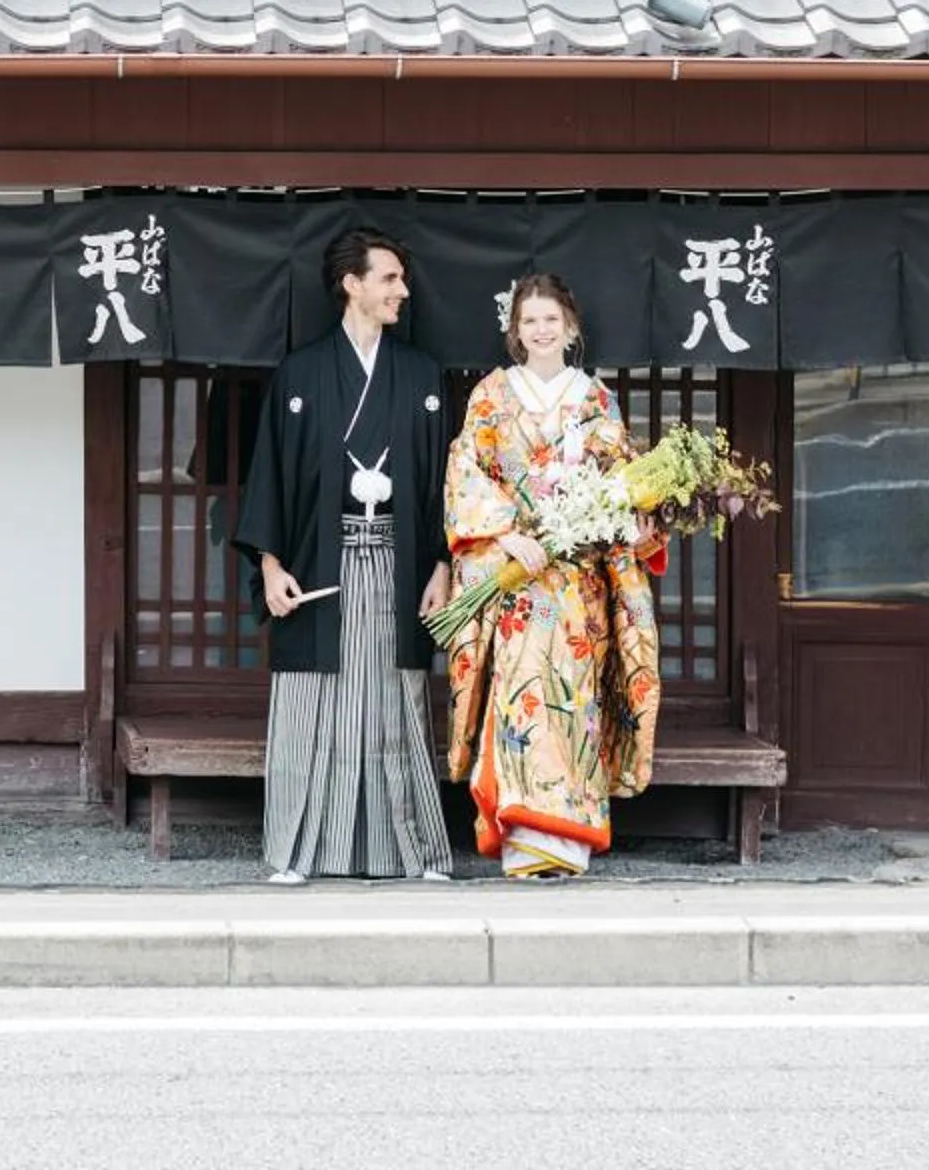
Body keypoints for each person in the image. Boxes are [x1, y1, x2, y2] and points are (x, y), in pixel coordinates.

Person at [231, 226, 456, 884]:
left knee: (397, 700)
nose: (401, 292)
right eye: (388, 279)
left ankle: (413, 853)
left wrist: (441, 564)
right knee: (313, 700)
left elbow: (444, 479)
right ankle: (296, 852)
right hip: (319, 562)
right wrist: (271, 566)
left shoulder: (420, 375)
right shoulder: (301, 373)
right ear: (351, 284)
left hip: (398, 559)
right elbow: (269, 474)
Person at [439, 273, 664, 878]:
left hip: (577, 582)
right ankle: (521, 835)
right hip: (518, 578)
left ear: (571, 327)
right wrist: (504, 533)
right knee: (522, 700)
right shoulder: (492, 394)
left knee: (576, 702)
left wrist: (627, 520)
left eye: (551, 320)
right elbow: (468, 470)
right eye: (529, 321)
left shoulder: (595, 399)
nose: (541, 331)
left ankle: (571, 837)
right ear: (514, 332)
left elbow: (621, 481)